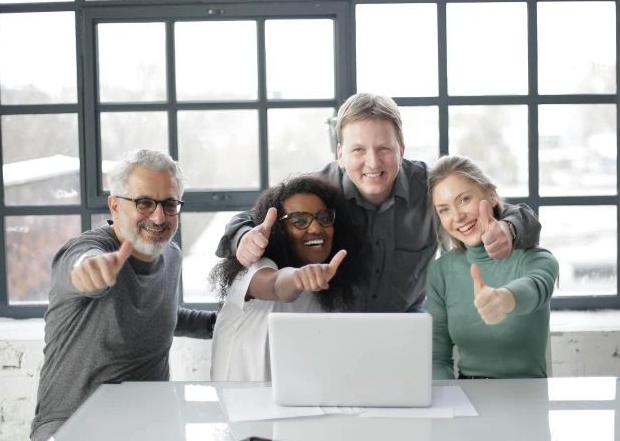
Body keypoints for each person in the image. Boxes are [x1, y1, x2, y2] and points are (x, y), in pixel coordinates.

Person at [216, 93, 542, 313]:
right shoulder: (316, 191)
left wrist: (507, 230)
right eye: (358, 150)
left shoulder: (431, 187)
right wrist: (244, 237)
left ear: (401, 150)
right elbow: (245, 220)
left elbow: (521, 216)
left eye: (384, 148)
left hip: (409, 324)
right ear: (340, 154)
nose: (373, 162)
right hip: (330, 330)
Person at [30, 149, 217, 441]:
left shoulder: (171, 255)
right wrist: (89, 270)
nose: (159, 217)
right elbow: (82, 266)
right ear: (115, 206)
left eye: (169, 204)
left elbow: (162, 314)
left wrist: (218, 323)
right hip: (74, 426)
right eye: (144, 203)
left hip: (149, 424)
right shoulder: (90, 251)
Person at [209, 175, 366, 381]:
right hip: (242, 408)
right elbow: (275, 285)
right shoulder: (255, 265)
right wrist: (299, 278)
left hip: (294, 406)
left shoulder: (329, 286)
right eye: (300, 221)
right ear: (278, 230)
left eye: (324, 218)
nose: (316, 228)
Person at [426, 155, 559, 379]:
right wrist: (451, 405)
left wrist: (503, 299)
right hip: (466, 400)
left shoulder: (537, 259)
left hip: (527, 401)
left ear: (491, 194)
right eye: (444, 209)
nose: (457, 216)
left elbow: (536, 288)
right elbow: (437, 358)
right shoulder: (439, 273)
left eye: (464, 199)